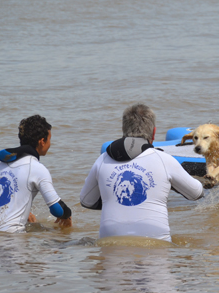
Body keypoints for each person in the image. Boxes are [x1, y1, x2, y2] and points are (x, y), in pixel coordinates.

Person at [80, 103, 204, 242]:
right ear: (154, 132)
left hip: (110, 246)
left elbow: (86, 201)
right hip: (156, 246)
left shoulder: (103, 159)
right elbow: (196, 193)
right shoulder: (164, 160)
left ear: (123, 129)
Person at [0, 115, 73, 232]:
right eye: (49, 139)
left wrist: (23, 210)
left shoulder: (3, 163)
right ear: (42, 141)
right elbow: (57, 210)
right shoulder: (37, 168)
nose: (50, 144)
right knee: (61, 240)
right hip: (11, 237)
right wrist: (67, 215)